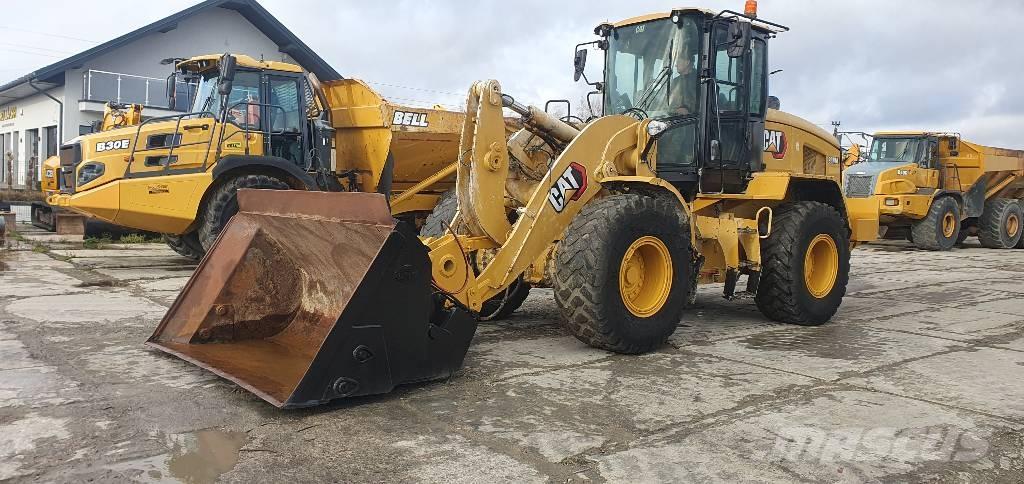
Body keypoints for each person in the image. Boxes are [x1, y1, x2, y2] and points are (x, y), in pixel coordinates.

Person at [668, 49, 698, 116]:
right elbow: (668, 103)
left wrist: (688, 110)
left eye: (678, 62)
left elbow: (704, 103)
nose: (675, 65)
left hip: (694, 120)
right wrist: (675, 110)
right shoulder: (675, 82)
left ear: (687, 62)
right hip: (675, 119)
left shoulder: (699, 80)